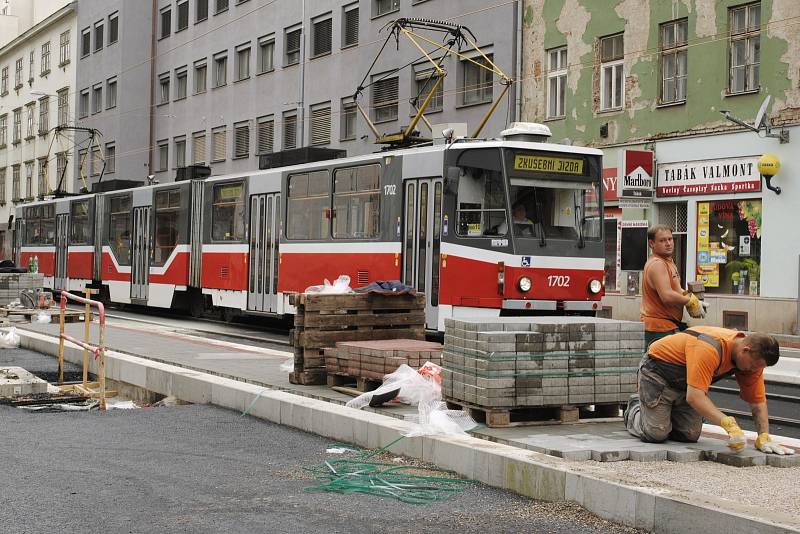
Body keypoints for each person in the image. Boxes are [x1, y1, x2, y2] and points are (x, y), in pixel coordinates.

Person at [624, 326, 794, 455]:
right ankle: (635, 408)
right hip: (658, 374)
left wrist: (763, 436)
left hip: (686, 384)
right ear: (746, 350)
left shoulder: (751, 362)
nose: (753, 370)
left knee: (689, 434)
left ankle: (663, 410)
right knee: (656, 434)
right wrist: (728, 424)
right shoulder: (709, 348)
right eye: (753, 365)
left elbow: (757, 402)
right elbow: (695, 397)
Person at [641, 224, 706, 348]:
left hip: (668, 325)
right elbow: (667, 296)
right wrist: (689, 301)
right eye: (662, 240)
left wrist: (692, 298)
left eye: (670, 239)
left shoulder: (668, 262)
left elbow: (675, 290)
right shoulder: (657, 264)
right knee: (662, 366)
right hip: (659, 328)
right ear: (651, 243)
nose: (668, 243)